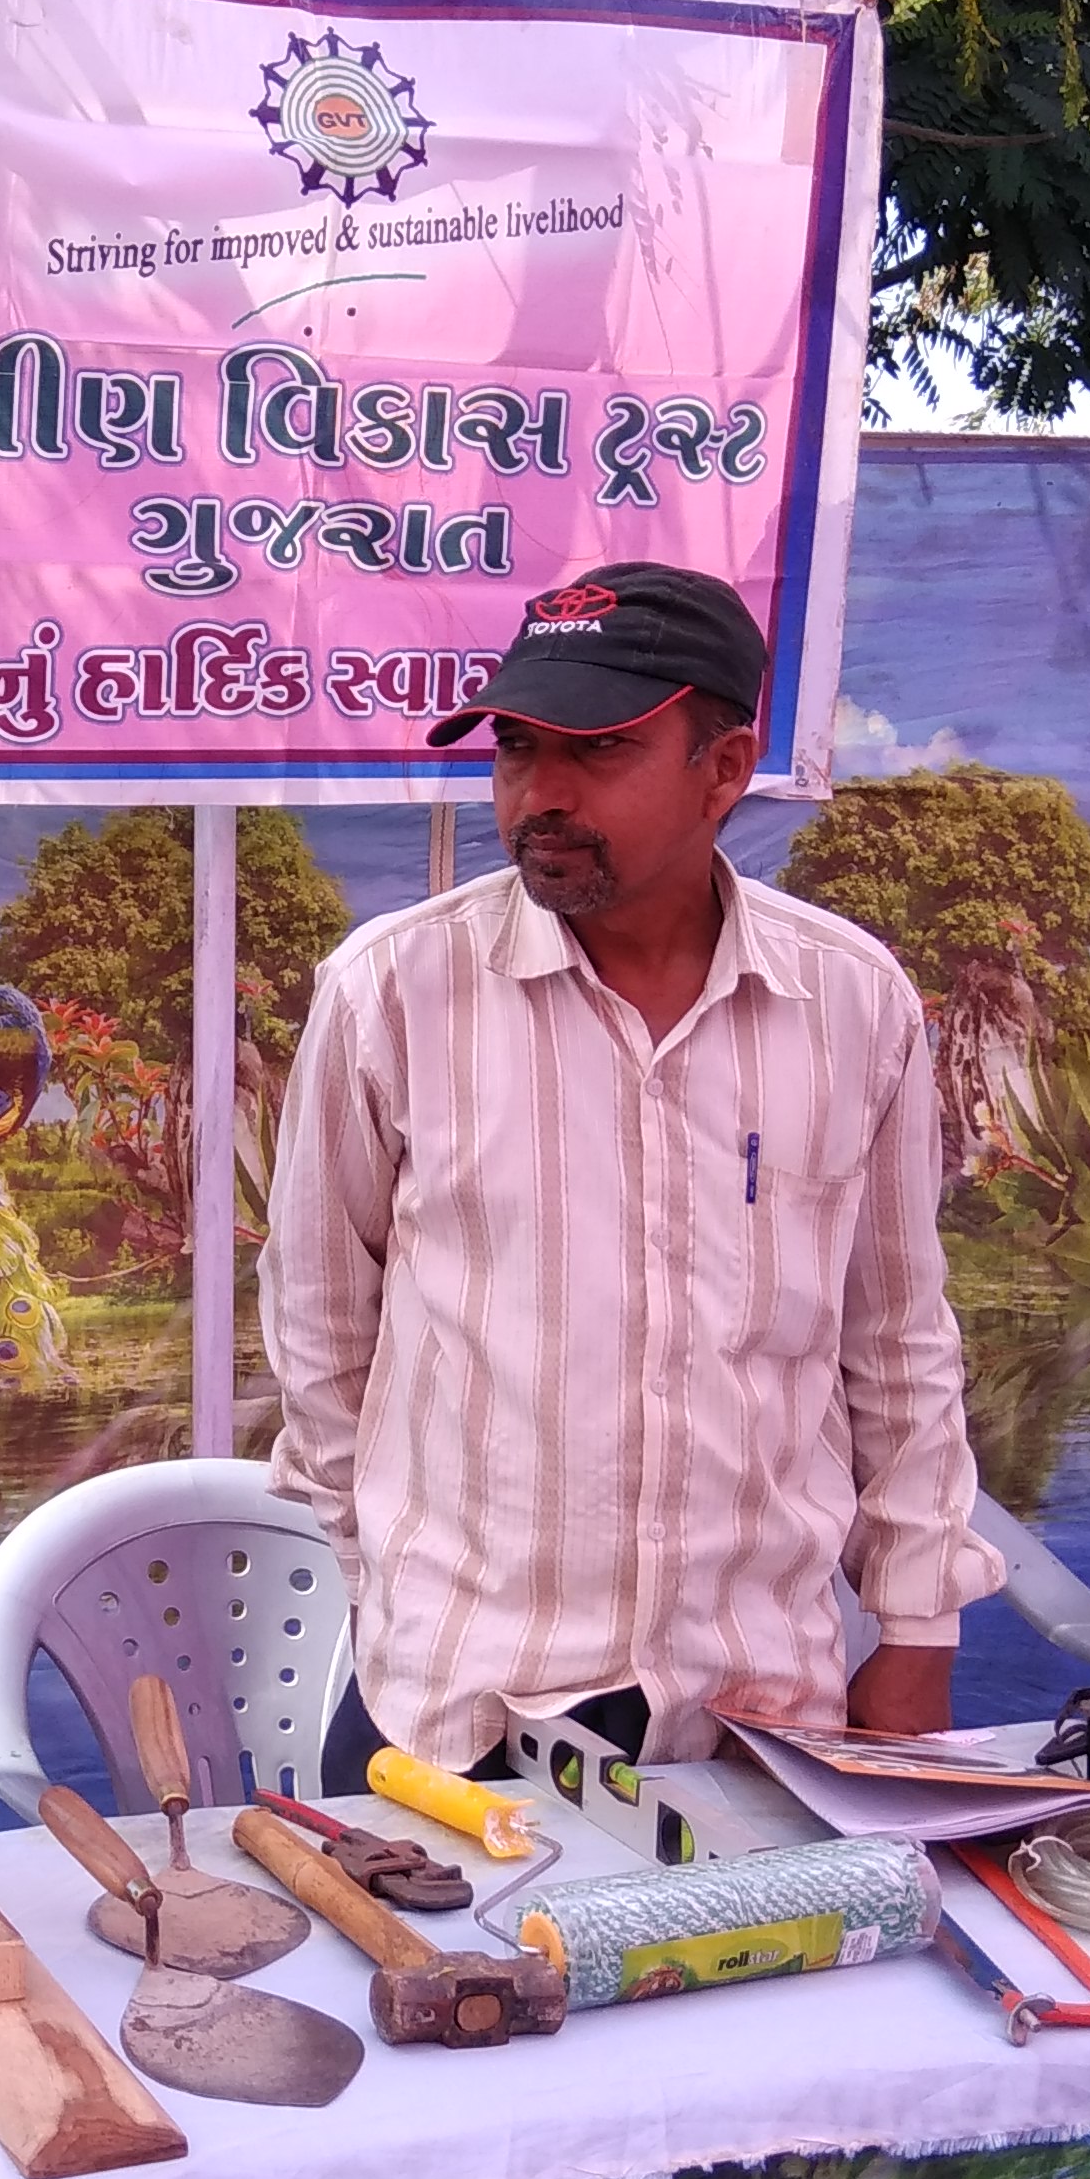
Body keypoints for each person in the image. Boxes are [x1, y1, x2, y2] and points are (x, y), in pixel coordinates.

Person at [260, 562, 1001, 1796]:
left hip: (763, 1711)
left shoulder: (851, 1003)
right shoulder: (391, 994)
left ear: (722, 768)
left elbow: (896, 1337)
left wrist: (917, 1626)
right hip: (460, 1721)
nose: (536, 797)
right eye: (513, 748)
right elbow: (321, 1341)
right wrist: (403, 1582)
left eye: (593, 752)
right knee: (443, 1993)